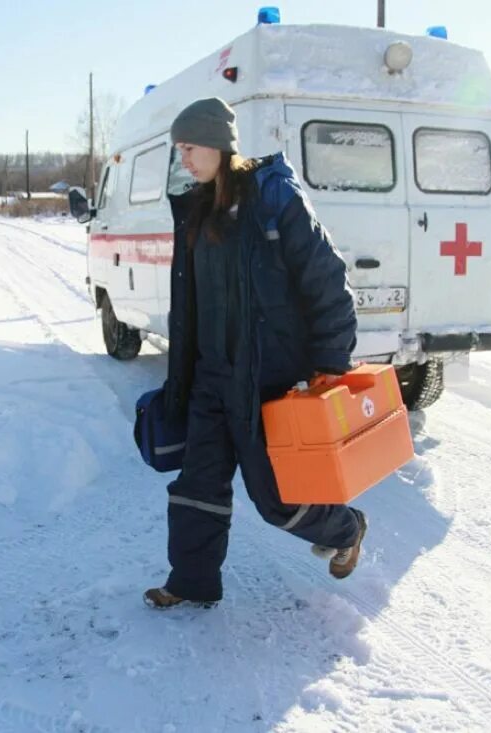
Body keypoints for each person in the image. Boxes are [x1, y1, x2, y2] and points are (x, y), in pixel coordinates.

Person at [144, 97, 368, 609]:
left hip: (266, 379)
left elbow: (327, 279)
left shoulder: (273, 197)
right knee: (197, 485)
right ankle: (191, 583)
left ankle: (346, 528)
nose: (184, 159)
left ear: (220, 146)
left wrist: (330, 363)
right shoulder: (198, 208)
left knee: (278, 500)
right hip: (210, 376)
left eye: (190, 147)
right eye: (179, 149)